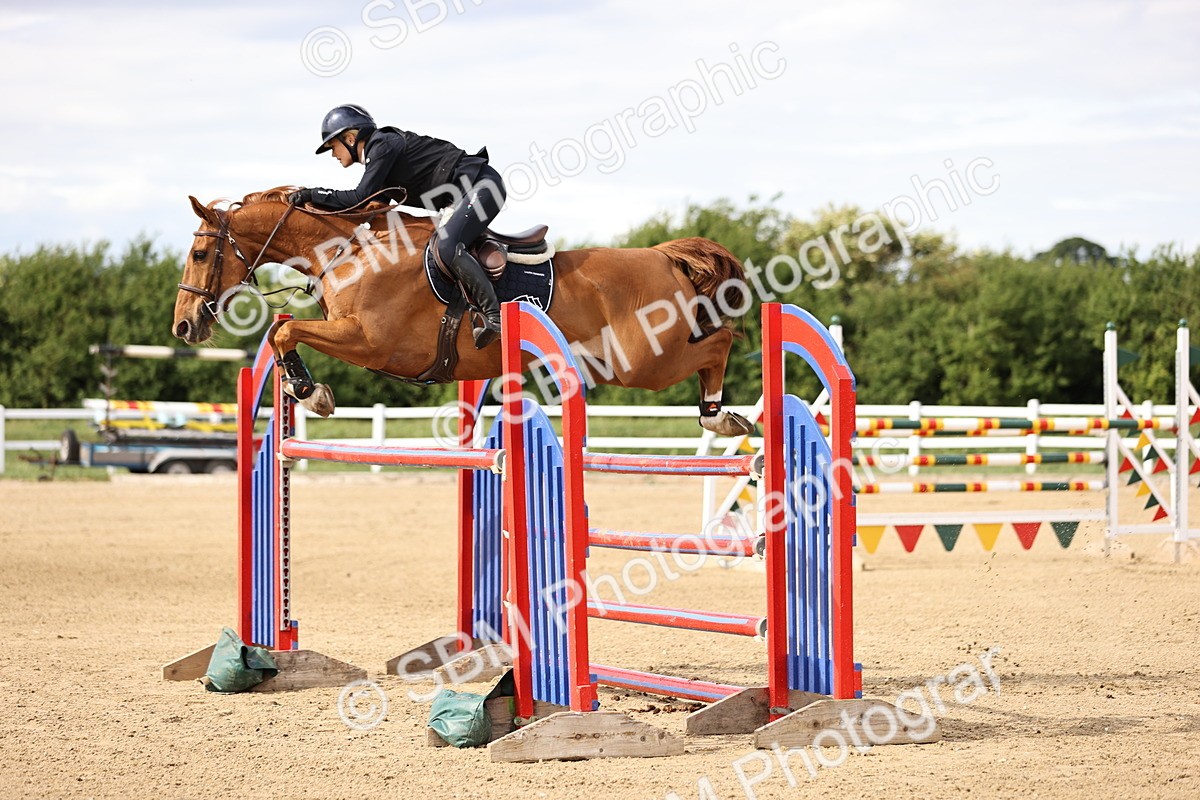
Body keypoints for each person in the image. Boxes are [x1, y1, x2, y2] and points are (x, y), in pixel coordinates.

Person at [289, 104, 504, 349]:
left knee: (447, 245)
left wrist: (314, 194)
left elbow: (360, 196)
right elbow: (370, 210)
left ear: (350, 137)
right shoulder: (381, 160)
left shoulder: (383, 145)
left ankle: (494, 317)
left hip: (483, 186)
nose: (333, 154)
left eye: (332, 146)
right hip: (464, 195)